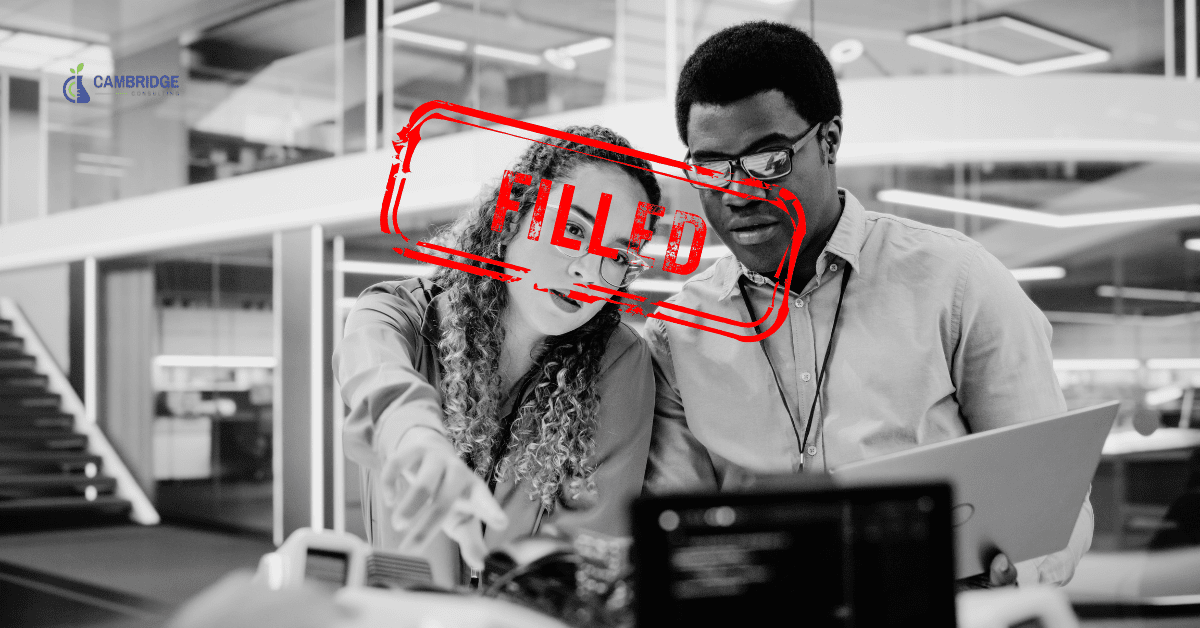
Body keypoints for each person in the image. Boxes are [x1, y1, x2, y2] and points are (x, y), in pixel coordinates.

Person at [644, 21, 1092, 588]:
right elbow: (675, 546)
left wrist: (1009, 576)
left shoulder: (956, 282)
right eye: (711, 167)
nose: (738, 193)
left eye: (768, 160)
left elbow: (1056, 501)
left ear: (829, 140)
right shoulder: (677, 335)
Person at [335, 125, 661, 584]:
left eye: (619, 255)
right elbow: (378, 381)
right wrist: (416, 438)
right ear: (512, 214)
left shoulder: (619, 361)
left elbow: (587, 551)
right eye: (572, 229)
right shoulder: (399, 313)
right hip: (408, 608)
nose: (589, 270)